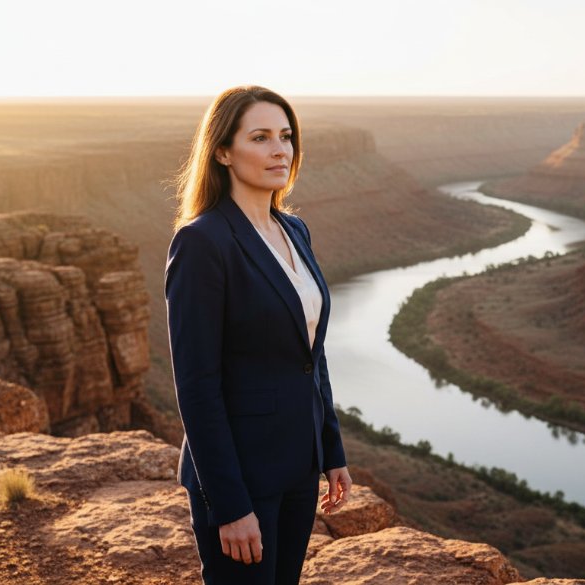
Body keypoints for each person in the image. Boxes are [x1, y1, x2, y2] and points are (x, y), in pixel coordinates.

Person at [165, 85, 352, 585]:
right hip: (241, 478)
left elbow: (312, 353)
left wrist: (330, 452)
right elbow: (196, 387)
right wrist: (228, 506)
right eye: (262, 137)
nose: (280, 150)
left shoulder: (295, 230)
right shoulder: (202, 242)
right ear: (223, 151)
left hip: (298, 465)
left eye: (287, 136)